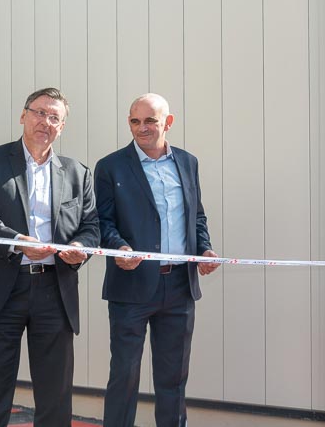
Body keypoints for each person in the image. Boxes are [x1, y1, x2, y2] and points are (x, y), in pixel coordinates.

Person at [0, 87, 100, 426]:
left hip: (55, 290)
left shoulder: (77, 173)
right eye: (39, 113)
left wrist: (80, 250)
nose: (46, 121)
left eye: (55, 117)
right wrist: (18, 241)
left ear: (62, 126)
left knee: (55, 393)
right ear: (23, 116)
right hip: (0, 287)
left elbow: (91, 227)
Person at [94, 93, 219, 427]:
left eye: (150, 120)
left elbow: (197, 218)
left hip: (179, 286)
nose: (142, 128)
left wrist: (204, 249)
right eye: (135, 121)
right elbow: (103, 222)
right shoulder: (110, 166)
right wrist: (119, 247)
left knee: (173, 380)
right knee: (124, 376)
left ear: (169, 122)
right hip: (130, 285)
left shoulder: (188, 162)